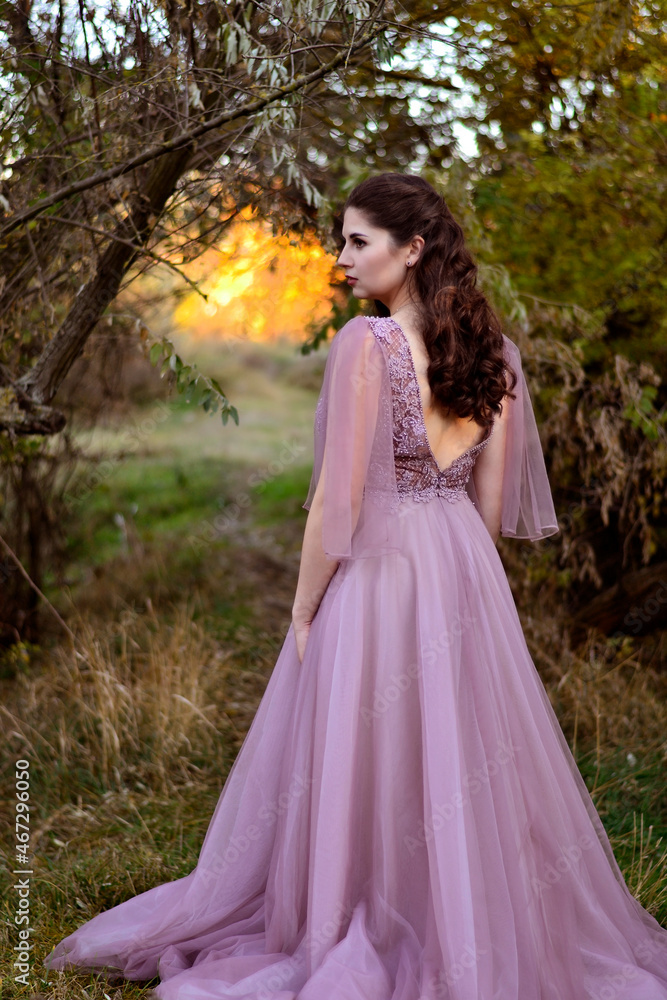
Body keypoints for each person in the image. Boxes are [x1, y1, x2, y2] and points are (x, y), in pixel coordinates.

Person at [44, 173, 667, 999]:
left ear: (411, 251)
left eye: (357, 242)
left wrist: (305, 607)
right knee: (454, 750)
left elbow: (336, 502)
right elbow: (486, 513)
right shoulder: (497, 356)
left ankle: (357, 911)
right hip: (459, 567)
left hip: (379, 564)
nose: (340, 259)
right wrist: (464, 590)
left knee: (364, 741)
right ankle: (461, 914)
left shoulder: (365, 347)